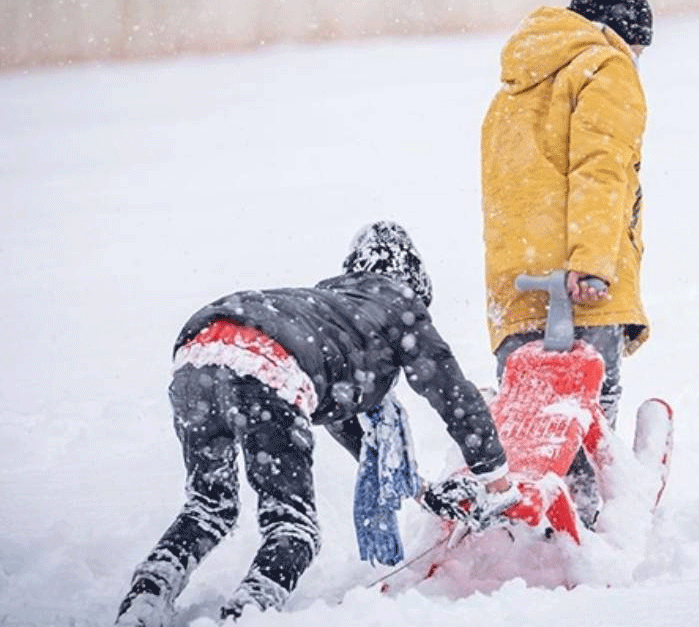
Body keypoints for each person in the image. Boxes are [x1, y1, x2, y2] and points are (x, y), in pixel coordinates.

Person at [116, 221, 517, 626]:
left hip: (198, 353)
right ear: (414, 281)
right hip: (267, 366)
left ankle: (147, 598)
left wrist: (423, 492)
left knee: (208, 507)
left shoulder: (328, 311)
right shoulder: (398, 304)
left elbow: (350, 426)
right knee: (293, 529)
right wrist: (497, 481)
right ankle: (245, 615)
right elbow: (454, 394)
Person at [480, 0, 653, 526]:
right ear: (622, 34)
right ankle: (594, 520)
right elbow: (601, 171)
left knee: (533, 422)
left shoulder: (515, 83)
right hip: (580, 280)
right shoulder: (607, 66)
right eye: (640, 49)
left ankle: (534, 519)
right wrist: (592, 263)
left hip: (515, 286)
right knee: (588, 410)